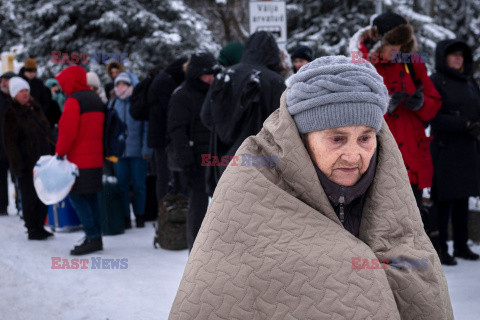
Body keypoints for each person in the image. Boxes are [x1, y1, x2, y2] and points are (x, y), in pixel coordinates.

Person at [169, 56, 453, 320]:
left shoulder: (386, 182)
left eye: (365, 138)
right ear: (301, 139)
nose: (353, 156)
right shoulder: (251, 178)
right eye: (337, 139)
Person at [350, 12, 441, 216]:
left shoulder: (412, 63)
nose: (397, 49)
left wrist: (421, 104)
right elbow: (353, 112)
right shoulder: (363, 66)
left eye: (401, 44)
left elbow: (434, 103)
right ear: (378, 41)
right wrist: (386, 106)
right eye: (393, 44)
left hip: (412, 159)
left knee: (412, 226)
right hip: (379, 161)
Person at [201, 31, 286, 195]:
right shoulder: (274, 81)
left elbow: (206, 116)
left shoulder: (224, 76)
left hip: (223, 162)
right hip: (261, 164)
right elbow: (282, 126)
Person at [430, 39, 480, 265]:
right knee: (445, 200)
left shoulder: (470, 82)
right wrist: (462, 124)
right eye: (453, 54)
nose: (458, 58)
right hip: (445, 148)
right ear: (444, 57)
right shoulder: (436, 81)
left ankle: (462, 245)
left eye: (461, 54)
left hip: (468, 148)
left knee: (463, 198)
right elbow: (433, 116)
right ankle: (441, 248)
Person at [167, 52, 218, 251]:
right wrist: (187, 163)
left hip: (216, 157)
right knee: (198, 206)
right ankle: (196, 251)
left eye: (213, 74)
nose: (211, 78)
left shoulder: (215, 91)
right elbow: (176, 131)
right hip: (195, 159)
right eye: (207, 74)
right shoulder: (182, 95)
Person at [55, 66, 105, 255]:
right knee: (91, 198)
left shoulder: (74, 100)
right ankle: (96, 236)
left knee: (77, 196)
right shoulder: (94, 98)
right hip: (95, 158)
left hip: (78, 161)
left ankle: (92, 236)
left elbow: (68, 131)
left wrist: (60, 153)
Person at [2, 77, 53, 239]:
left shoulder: (35, 109)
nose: (25, 94)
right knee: (29, 195)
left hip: (43, 161)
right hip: (26, 162)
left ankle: (40, 224)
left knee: (42, 194)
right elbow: (10, 142)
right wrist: (17, 165)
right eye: (21, 91)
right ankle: (32, 227)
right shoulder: (11, 113)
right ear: (14, 94)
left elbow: (46, 132)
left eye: (26, 91)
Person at [109, 71, 152, 229]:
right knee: (122, 187)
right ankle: (125, 217)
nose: (121, 87)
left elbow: (146, 127)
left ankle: (140, 216)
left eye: (124, 84)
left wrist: (146, 148)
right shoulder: (113, 104)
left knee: (140, 186)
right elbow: (109, 129)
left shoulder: (138, 102)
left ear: (130, 85)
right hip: (119, 153)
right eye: (118, 84)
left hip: (138, 153)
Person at [147, 57, 187, 202]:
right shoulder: (166, 83)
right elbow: (171, 109)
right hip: (164, 137)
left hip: (158, 136)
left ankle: (164, 210)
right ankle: (166, 209)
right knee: (168, 174)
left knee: (165, 174)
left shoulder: (161, 79)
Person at [19, 57, 60, 127]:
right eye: (30, 72)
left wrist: (40, 112)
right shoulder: (19, 81)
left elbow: (45, 100)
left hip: (38, 117)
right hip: (22, 116)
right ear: (25, 71)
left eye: (34, 72)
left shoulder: (38, 83)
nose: (32, 74)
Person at [0, 72, 16, 216]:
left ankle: (20, 205)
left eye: (7, 81)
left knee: (17, 175)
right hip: (1, 144)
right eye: (3, 81)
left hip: (15, 143)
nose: (5, 83)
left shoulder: (16, 98)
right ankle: (2, 206)